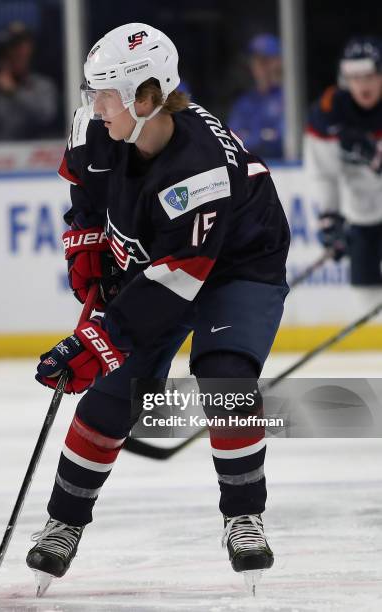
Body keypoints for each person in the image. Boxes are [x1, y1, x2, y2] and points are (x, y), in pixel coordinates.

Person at [26, 23, 290, 597]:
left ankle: (243, 515)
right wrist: (91, 252)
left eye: (109, 95)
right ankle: (63, 523)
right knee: (118, 388)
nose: (96, 107)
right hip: (165, 260)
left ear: (147, 98)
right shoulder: (98, 128)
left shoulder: (199, 173)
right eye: (92, 92)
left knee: (224, 377)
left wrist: (95, 341)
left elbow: (175, 282)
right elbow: (89, 204)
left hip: (238, 264)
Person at [305, 37, 382, 288]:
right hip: (360, 217)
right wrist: (331, 218)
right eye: (355, 77)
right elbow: (325, 173)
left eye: (369, 76)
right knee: (365, 290)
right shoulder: (329, 111)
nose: (363, 85)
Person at [228, 34, 284, 159]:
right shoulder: (244, 102)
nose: (259, 66)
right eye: (256, 60)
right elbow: (231, 141)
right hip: (248, 170)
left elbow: (283, 141)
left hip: (282, 169)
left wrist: (249, 137)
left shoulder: (288, 99)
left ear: (278, 62)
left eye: (265, 61)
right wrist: (262, 136)